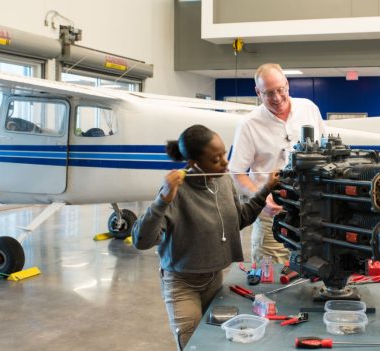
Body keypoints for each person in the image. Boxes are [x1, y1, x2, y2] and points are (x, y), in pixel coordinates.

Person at [132, 124, 278, 350]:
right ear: (193, 163)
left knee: (219, 342)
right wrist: (163, 200)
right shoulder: (176, 191)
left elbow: (238, 220)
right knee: (194, 345)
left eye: (224, 154)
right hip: (182, 283)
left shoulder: (224, 180)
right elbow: (142, 241)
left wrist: (265, 189)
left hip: (215, 278)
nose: (225, 162)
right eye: (216, 158)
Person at [230, 63, 326, 264]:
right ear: (258, 92)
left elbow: (326, 153)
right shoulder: (249, 124)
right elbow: (237, 172)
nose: (276, 98)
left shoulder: (309, 109)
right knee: (271, 279)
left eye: (280, 90)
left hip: (314, 212)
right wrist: (260, 199)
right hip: (274, 215)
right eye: (268, 93)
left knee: (315, 272)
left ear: (287, 85)